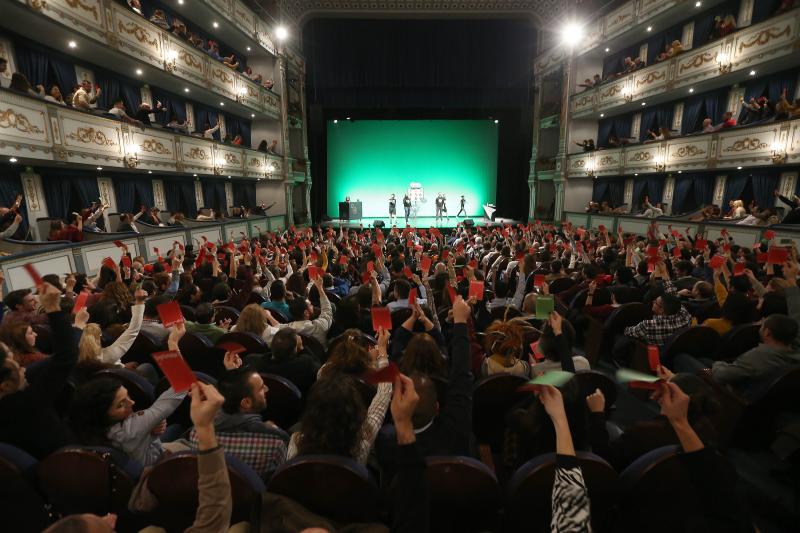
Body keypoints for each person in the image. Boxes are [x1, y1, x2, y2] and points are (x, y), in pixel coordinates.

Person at [70, 325, 188, 466]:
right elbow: (182, 383)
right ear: (102, 413)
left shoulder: (88, 429)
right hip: (157, 465)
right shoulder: (133, 428)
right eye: (121, 404)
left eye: (127, 396)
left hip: (141, 453)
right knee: (182, 430)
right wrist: (173, 343)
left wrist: (149, 433)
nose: (131, 403)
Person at [0, 283, 82, 458]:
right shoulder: (25, 403)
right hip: (69, 464)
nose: (18, 365)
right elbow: (66, 357)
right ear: (5, 385)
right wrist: (54, 308)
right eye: (9, 359)